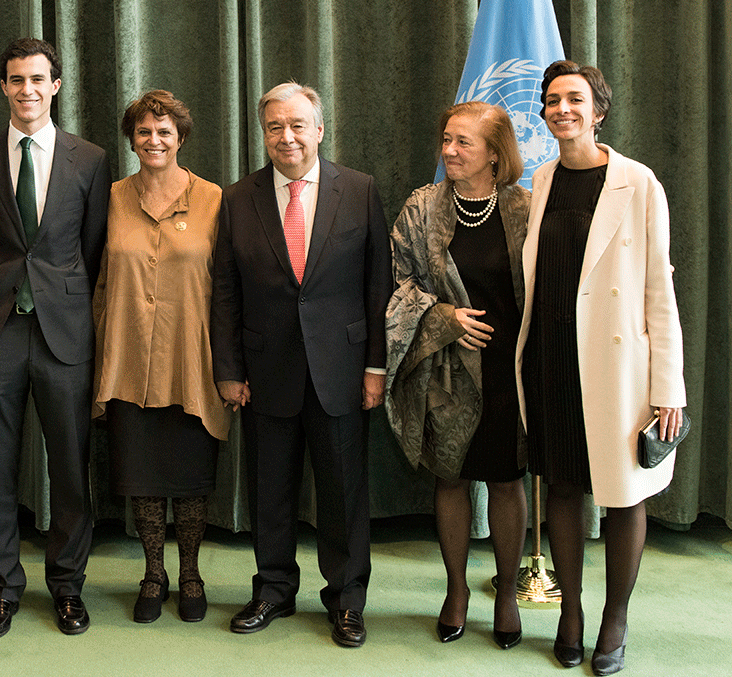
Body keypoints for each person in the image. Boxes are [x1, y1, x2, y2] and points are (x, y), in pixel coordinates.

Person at [516, 60, 686, 675]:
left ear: (599, 111)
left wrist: (668, 387)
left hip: (619, 371)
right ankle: (571, 612)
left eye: (575, 99)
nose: (562, 109)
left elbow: (659, 289)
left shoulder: (638, 183)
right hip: (552, 361)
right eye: (552, 100)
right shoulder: (540, 180)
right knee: (560, 484)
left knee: (621, 495)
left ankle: (614, 620)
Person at [211, 81, 392, 648]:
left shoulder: (359, 190)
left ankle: (346, 600)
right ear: (263, 134)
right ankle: (272, 590)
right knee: (270, 489)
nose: (286, 137)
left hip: (341, 370)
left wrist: (375, 368)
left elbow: (377, 285)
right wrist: (228, 369)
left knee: (343, 493)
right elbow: (225, 292)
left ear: (319, 129)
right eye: (274, 127)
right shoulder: (239, 198)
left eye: (296, 125)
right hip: (266, 371)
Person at [0, 37, 111, 637]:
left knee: (72, 467)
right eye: (16, 80)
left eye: (38, 80)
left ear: (55, 86)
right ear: (3, 86)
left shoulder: (91, 159)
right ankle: (1, 588)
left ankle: (68, 588)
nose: (27, 90)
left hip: (64, 334)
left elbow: (95, 250)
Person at [386, 101, 529, 649]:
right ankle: (456, 592)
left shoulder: (523, 207)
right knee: (451, 477)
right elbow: (397, 284)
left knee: (507, 478)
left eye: (463, 142)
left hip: (507, 370)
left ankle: (509, 594)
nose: (449, 150)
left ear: (495, 153)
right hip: (446, 371)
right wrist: (441, 318)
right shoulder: (422, 208)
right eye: (446, 139)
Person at [92, 90, 230, 624]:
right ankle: (153, 573)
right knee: (142, 475)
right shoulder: (108, 197)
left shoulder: (215, 199)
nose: (154, 140)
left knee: (191, 477)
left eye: (164, 131)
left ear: (181, 138)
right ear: (132, 139)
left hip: (192, 362)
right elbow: (96, 278)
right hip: (126, 361)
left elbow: (228, 289)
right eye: (144, 131)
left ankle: (191, 573)